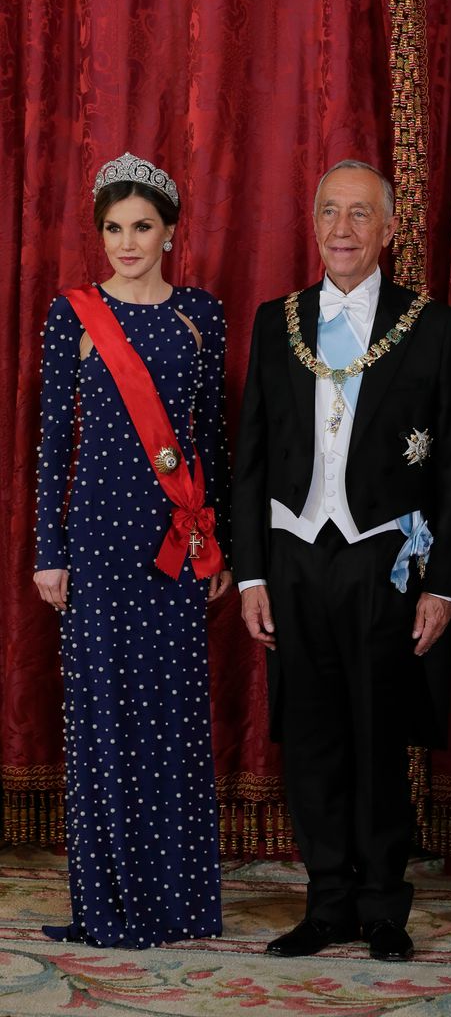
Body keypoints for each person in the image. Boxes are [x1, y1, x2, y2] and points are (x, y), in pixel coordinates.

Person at [232, 159, 451, 961]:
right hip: (294, 556)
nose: (342, 229)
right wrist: (254, 573)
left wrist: (444, 584)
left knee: (377, 733)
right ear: (313, 225)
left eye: (361, 214)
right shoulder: (278, 320)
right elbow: (252, 458)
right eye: (330, 212)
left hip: (384, 560)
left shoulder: (433, 327)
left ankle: (383, 907)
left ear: (390, 230)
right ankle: (326, 899)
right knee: (310, 736)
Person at [33, 151, 232, 948]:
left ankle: (178, 904)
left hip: (174, 545)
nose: (126, 243)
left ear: (170, 233)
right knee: (105, 718)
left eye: (141, 227)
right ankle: (112, 901)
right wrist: (50, 550)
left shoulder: (201, 315)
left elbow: (211, 436)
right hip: (96, 543)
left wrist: (221, 546)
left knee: (173, 719)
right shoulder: (71, 315)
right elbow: (53, 443)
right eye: (113, 228)